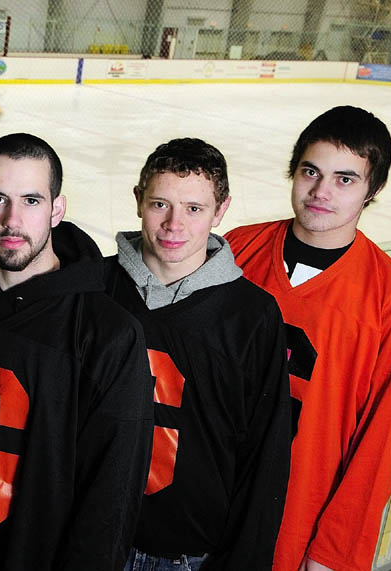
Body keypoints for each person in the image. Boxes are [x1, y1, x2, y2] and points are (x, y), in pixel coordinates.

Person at [0, 132, 153, 571]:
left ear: (57, 210)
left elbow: (109, 500)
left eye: (32, 201)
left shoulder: (108, 335)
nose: (12, 219)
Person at [225, 106, 391, 571]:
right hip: (206, 496)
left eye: (345, 179)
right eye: (311, 171)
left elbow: (383, 440)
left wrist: (334, 550)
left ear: (373, 189)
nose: (321, 192)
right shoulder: (235, 249)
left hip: (295, 520)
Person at [104, 137, 291, 570]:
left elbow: (264, 457)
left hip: (188, 557)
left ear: (221, 210)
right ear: (137, 200)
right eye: (159, 204)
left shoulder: (252, 316)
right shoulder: (98, 290)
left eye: (194, 208)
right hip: (93, 538)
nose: (174, 224)